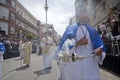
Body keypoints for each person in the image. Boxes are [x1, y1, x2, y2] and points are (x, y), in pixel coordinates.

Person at [54, 0, 106, 80]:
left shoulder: (92, 30)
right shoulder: (70, 30)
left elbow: (100, 45)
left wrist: (100, 51)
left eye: (85, 11)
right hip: (74, 66)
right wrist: (77, 43)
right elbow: (62, 49)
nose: (83, 14)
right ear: (77, 14)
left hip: (90, 65)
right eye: (81, 12)